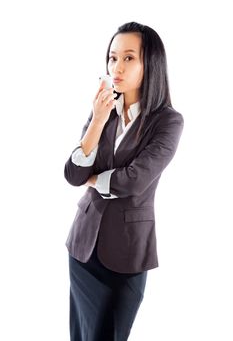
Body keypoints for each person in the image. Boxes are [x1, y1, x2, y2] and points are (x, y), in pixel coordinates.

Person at [64, 21, 184, 341]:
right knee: (80, 335)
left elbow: (134, 181)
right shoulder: (104, 110)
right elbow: (73, 174)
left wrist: (96, 179)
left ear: (151, 63)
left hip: (128, 253)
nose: (117, 66)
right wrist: (98, 121)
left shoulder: (168, 122)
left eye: (129, 58)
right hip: (83, 248)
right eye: (112, 57)